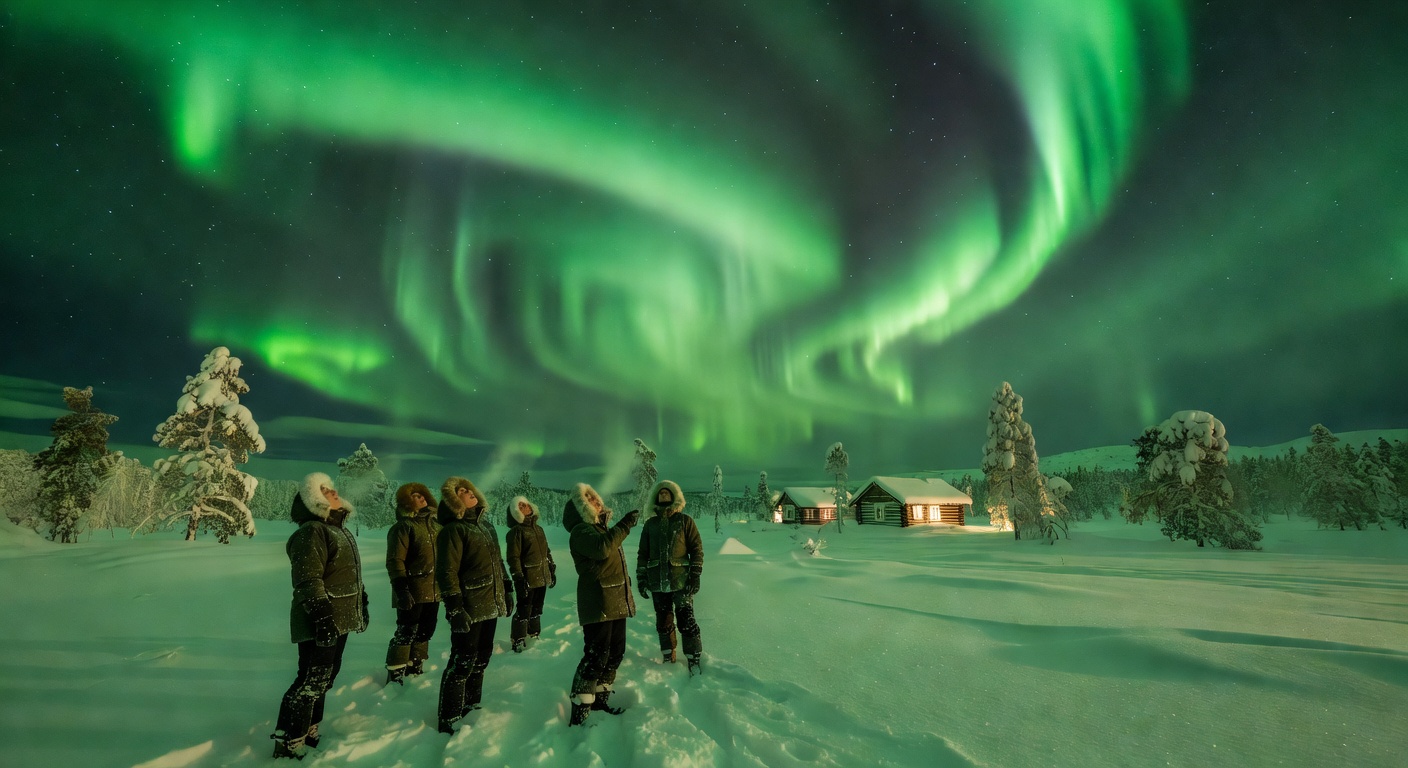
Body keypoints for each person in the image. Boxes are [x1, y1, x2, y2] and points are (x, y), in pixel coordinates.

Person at [271, 472, 368, 760]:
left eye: (331, 487)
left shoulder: (338, 530)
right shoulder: (312, 531)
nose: (332, 491)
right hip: (320, 619)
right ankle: (288, 738)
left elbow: (346, 575)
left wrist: (361, 602)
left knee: (325, 677)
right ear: (312, 500)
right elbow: (308, 580)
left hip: (338, 618)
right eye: (323, 490)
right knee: (310, 679)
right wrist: (322, 618)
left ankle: (309, 727)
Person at [435, 476, 512, 734]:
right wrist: (454, 608)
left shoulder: (487, 527)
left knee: (482, 658)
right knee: (462, 661)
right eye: (461, 491)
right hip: (469, 606)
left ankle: (471, 705)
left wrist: (507, 587)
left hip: (490, 603)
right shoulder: (453, 530)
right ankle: (449, 716)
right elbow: (447, 572)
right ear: (453, 500)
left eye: (469, 488)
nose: (469, 492)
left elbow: (497, 562)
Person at [562, 483, 640, 726]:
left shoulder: (598, 529)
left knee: (615, 653)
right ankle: (580, 711)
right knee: (596, 656)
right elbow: (603, 549)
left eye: (595, 497)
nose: (596, 501)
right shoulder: (581, 531)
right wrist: (624, 525)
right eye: (588, 499)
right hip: (597, 603)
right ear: (580, 507)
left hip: (615, 600)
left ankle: (599, 702)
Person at [636, 479, 705, 675]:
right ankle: (668, 654)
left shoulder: (685, 521)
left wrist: (695, 574)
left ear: (675, 497)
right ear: (656, 498)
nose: (664, 496)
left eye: (667, 493)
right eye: (661, 493)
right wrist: (642, 578)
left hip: (681, 581)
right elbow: (643, 553)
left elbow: (696, 549)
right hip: (657, 583)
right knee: (663, 621)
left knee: (686, 620)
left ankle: (693, 657)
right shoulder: (650, 524)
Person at [384, 482, 439, 685]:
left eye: (422, 494)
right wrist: (401, 589)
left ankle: (415, 665)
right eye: (414, 496)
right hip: (411, 589)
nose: (420, 497)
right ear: (406, 503)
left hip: (434, 590)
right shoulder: (403, 527)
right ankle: (396, 671)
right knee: (406, 630)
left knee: (427, 629)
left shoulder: (436, 526)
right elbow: (395, 560)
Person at [504, 495, 556, 652]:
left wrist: (551, 568)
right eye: (520, 506)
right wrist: (518, 578)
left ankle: (533, 634)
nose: (525, 507)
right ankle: (518, 639)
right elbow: (513, 558)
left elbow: (546, 551)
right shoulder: (516, 532)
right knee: (523, 609)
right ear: (515, 513)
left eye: (525, 504)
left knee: (537, 608)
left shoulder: (539, 529)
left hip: (542, 576)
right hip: (527, 578)